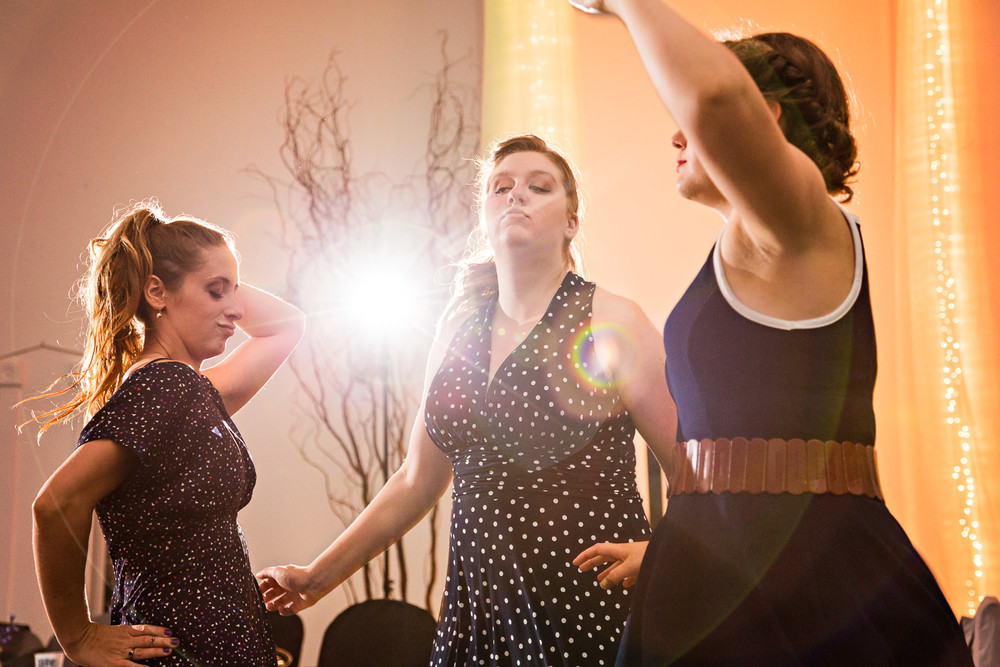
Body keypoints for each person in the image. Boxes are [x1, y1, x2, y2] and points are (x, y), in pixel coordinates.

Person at [569, 1, 975, 665]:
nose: (676, 135)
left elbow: (715, 96)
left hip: (807, 594)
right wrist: (675, 548)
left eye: (690, 125)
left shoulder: (798, 218)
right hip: (722, 578)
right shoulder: (753, 243)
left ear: (766, 119)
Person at [256, 134, 676, 666]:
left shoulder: (612, 318)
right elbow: (416, 480)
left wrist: (660, 555)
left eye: (538, 187)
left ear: (571, 221)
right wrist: (317, 578)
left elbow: (691, 469)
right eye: (501, 187)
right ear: (485, 216)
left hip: (586, 608)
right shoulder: (457, 328)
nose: (515, 195)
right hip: (478, 613)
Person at [29, 200, 305, 666]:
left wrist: (217, 274)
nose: (236, 310)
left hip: (210, 644)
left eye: (235, 293)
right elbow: (55, 505)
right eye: (216, 292)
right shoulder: (166, 387)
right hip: (183, 650)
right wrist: (76, 637)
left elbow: (286, 327)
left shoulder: (190, 392)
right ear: (157, 293)